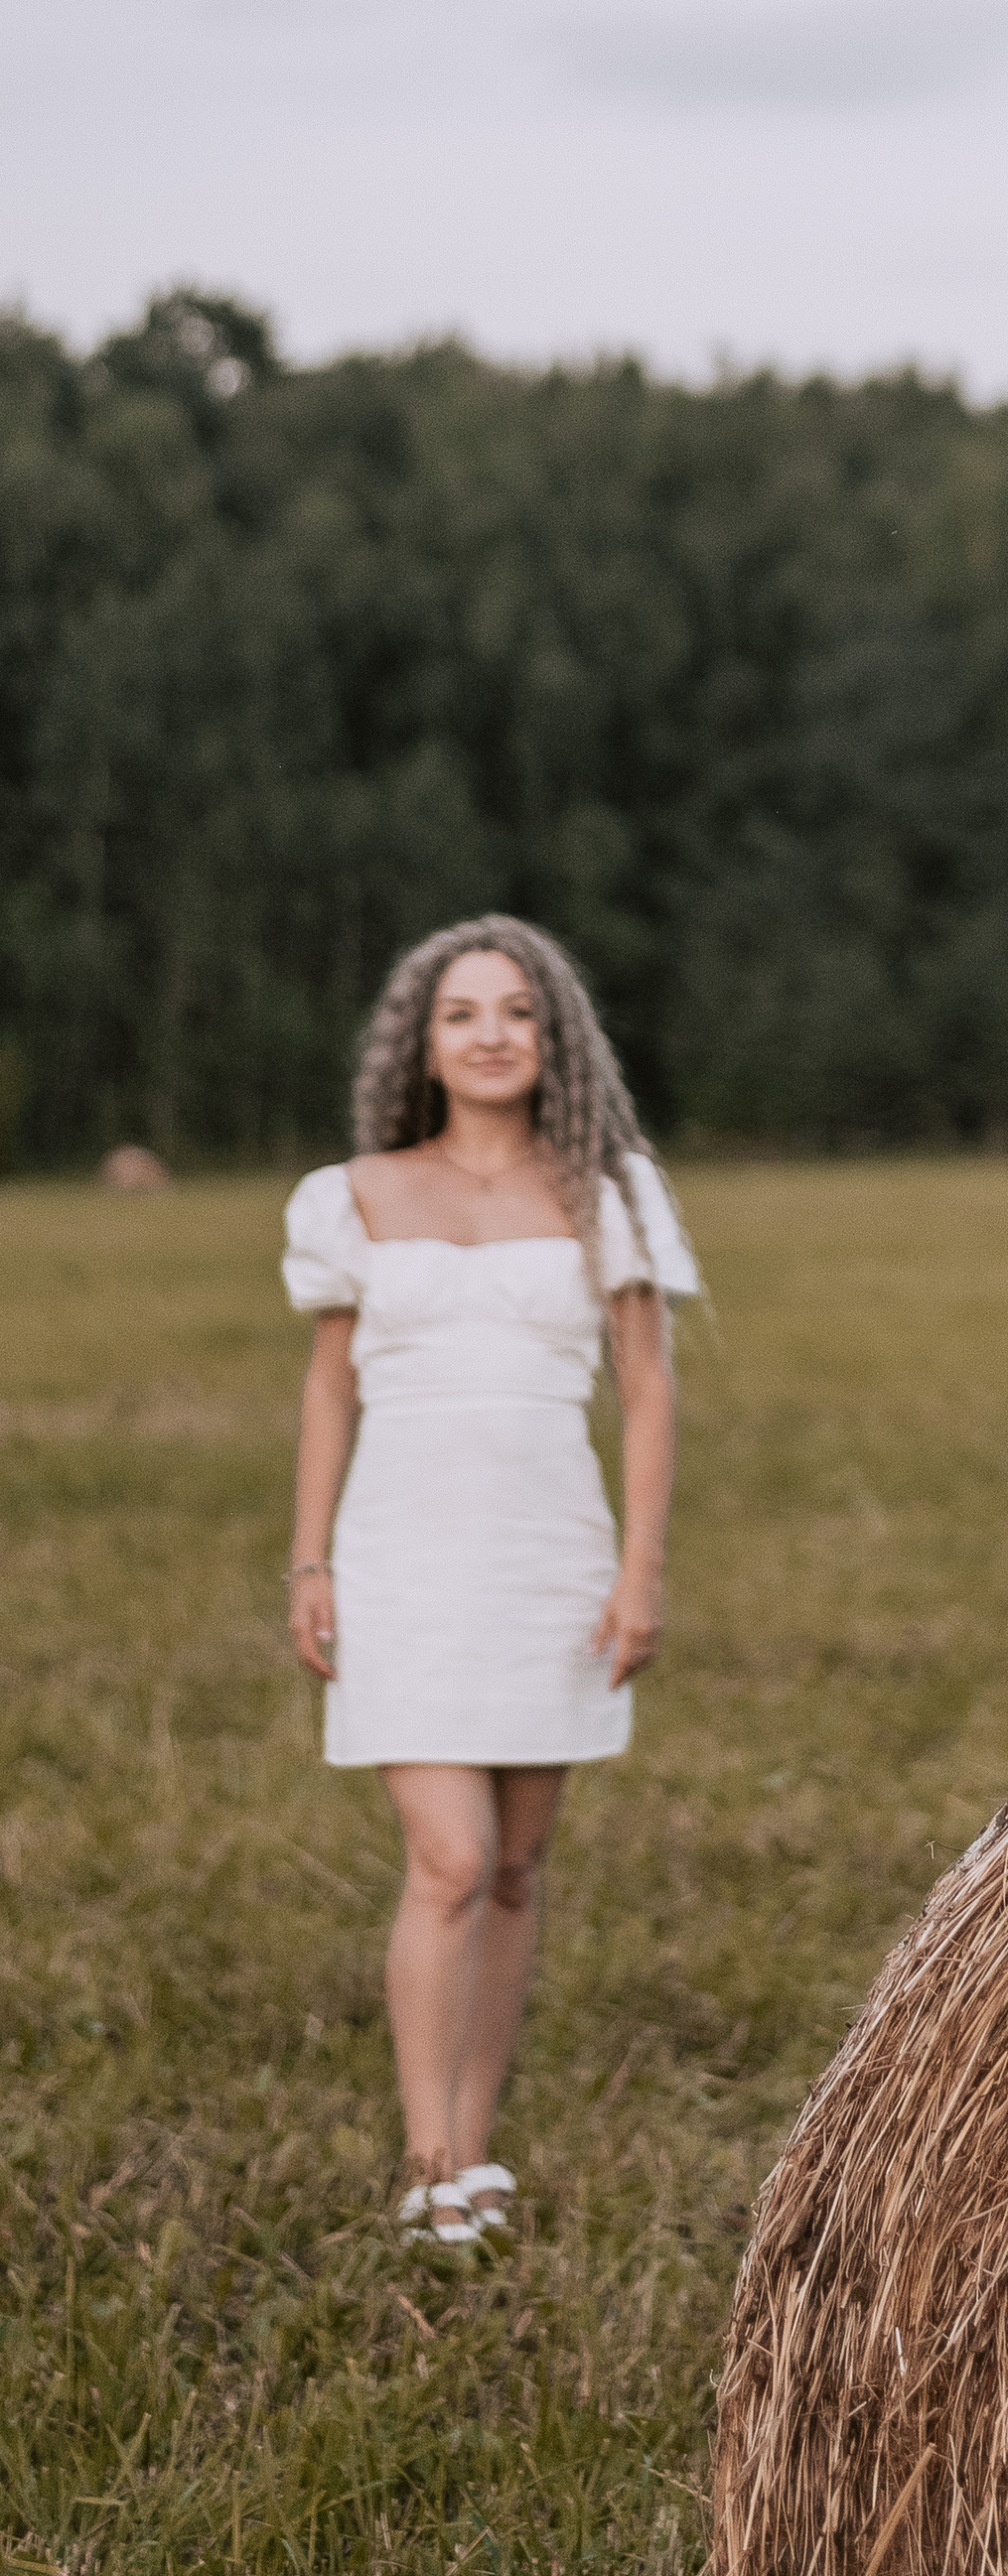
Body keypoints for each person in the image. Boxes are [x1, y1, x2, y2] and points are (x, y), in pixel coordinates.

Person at [282, 914, 700, 2252]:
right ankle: (427, 2160)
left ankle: (476, 2141)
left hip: (550, 1556)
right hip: (400, 1554)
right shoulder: (352, 1192)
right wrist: (309, 1557)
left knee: (518, 1867)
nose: (492, 1032)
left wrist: (639, 1571)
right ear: (425, 1040)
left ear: (551, 1037)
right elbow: (327, 1389)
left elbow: (645, 1392)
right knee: (450, 1859)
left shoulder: (610, 1194)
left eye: (517, 1010)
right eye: (464, 1011)